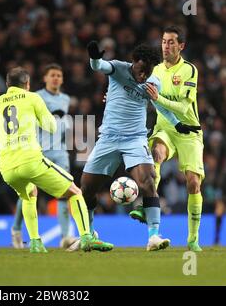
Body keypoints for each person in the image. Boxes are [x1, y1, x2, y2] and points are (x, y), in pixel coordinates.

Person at [0, 67, 114, 253]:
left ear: (8, 85)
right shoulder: (33, 98)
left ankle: (34, 242)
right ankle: (87, 238)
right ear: (27, 84)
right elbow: (51, 127)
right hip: (30, 160)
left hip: (7, 168)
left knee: (29, 194)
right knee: (75, 192)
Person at [78, 41, 199, 252]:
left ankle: (153, 236)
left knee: (148, 180)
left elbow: (159, 105)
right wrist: (95, 58)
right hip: (108, 138)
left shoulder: (153, 81)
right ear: (134, 62)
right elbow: (99, 67)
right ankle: (89, 233)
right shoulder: (118, 68)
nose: (143, 76)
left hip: (135, 139)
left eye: (148, 72)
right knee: (87, 188)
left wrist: (178, 124)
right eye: (141, 70)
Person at [129, 26, 204, 252]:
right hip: (164, 129)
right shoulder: (155, 71)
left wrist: (158, 98)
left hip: (189, 131)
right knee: (156, 154)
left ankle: (192, 239)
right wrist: (111, 96)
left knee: (193, 182)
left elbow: (182, 106)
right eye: (163, 41)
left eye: (171, 42)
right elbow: (135, 88)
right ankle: (147, 204)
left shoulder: (190, 70)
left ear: (181, 46)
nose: (166, 46)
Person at [11, 63, 77, 249]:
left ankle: (65, 237)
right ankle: (16, 228)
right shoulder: (35, 96)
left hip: (60, 151)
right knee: (29, 193)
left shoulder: (65, 99)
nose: (56, 78)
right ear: (45, 78)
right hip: (38, 150)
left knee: (66, 191)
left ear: (62, 79)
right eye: (52, 75)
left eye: (59, 75)